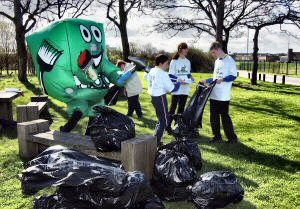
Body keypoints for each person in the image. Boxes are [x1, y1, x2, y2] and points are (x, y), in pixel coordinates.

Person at [201, 42, 238, 143]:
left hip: (223, 96)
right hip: (214, 94)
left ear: (218, 49)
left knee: (225, 117)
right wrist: (207, 80)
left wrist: (223, 79)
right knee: (213, 116)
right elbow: (215, 77)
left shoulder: (230, 60)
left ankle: (232, 138)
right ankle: (217, 136)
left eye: (213, 52)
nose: (213, 55)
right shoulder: (217, 61)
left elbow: (234, 75)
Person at [145, 54, 180, 146]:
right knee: (164, 120)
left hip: (153, 97)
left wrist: (175, 78)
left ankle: (156, 139)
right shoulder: (162, 73)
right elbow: (172, 89)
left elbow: (148, 78)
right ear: (161, 63)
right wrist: (179, 82)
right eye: (166, 64)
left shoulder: (152, 70)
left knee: (161, 119)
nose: (167, 66)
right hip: (160, 97)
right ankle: (156, 142)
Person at [166, 42, 196, 135]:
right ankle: (168, 127)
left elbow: (187, 73)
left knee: (181, 108)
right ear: (180, 50)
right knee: (173, 108)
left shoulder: (188, 61)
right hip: (177, 87)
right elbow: (170, 74)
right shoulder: (174, 61)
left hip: (185, 88)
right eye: (185, 48)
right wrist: (179, 80)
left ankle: (177, 127)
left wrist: (190, 77)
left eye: (187, 48)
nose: (187, 50)